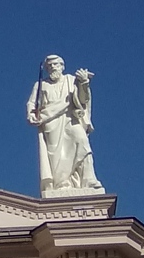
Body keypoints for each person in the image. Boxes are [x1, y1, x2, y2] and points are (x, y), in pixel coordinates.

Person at [25, 57, 100, 197]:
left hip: (70, 119)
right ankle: (62, 184)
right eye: (50, 66)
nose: (53, 67)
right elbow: (32, 103)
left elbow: (83, 99)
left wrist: (83, 82)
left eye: (56, 64)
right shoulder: (41, 84)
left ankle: (89, 180)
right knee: (57, 155)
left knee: (82, 141)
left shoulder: (71, 80)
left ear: (62, 66)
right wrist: (31, 115)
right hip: (50, 122)